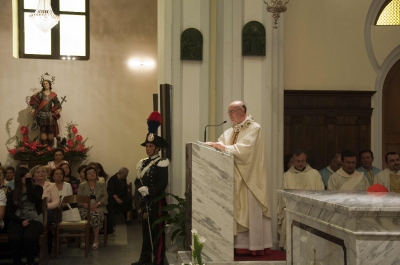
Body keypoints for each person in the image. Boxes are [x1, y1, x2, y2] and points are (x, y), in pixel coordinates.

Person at [205, 101, 272, 256]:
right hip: (232, 179)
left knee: (249, 209)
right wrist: (212, 146)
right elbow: (220, 144)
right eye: (228, 112)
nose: (229, 115)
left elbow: (246, 150)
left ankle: (253, 246)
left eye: (232, 111)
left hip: (249, 178)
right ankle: (235, 246)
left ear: (242, 110)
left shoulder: (254, 128)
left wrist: (223, 148)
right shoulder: (230, 132)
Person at [132, 111, 169, 265]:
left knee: (158, 233)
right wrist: (140, 188)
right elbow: (137, 180)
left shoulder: (162, 162)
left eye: (151, 146)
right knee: (146, 233)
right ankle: (144, 258)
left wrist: (149, 191)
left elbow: (162, 183)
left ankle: (158, 261)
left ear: (157, 148)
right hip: (146, 202)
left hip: (157, 203)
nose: (147, 149)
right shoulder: (143, 163)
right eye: (147, 146)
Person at [278, 150, 324, 249]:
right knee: (288, 219)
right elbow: (284, 195)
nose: (300, 163)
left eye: (302, 161)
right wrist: (295, 207)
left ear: (306, 161)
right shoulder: (287, 175)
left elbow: (321, 192)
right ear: (293, 161)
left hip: (312, 210)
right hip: (294, 210)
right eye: (298, 161)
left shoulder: (314, 173)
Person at [5, 167, 44, 265]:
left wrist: (28, 182)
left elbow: (32, 199)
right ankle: (17, 262)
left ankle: (30, 262)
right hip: (18, 219)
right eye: (23, 176)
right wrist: (20, 221)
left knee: (29, 237)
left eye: (27, 175)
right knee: (14, 238)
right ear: (18, 178)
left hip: (34, 219)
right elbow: (9, 213)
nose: (25, 177)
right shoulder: (12, 193)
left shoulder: (37, 188)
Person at [77, 166, 108, 250]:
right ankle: (83, 239)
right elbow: (79, 199)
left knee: (96, 215)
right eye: (89, 173)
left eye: (94, 172)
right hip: (85, 207)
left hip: (98, 206)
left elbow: (105, 197)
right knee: (83, 215)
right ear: (86, 176)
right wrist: (87, 206)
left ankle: (95, 239)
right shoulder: (82, 185)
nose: (92, 174)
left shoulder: (101, 184)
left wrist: (97, 204)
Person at [29, 73, 62, 147]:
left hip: (50, 115)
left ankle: (50, 147)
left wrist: (59, 109)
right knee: (43, 130)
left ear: (50, 84)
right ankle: (44, 146)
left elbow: (57, 103)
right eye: (44, 84)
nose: (45, 85)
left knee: (51, 130)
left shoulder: (53, 95)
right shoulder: (40, 94)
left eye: (46, 83)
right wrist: (33, 109)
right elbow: (36, 103)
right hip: (41, 114)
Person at [107, 167, 133, 234]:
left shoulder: (123, 179)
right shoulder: (113, 179)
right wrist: (117, 199)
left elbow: (124, 188)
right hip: (114, 197)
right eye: (125, 175)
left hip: (122, 196)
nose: (125, 177)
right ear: (121, 174)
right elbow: (111, 190)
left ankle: (128, 218)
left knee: (129, 200)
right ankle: (113, 221)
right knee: (112, 203)